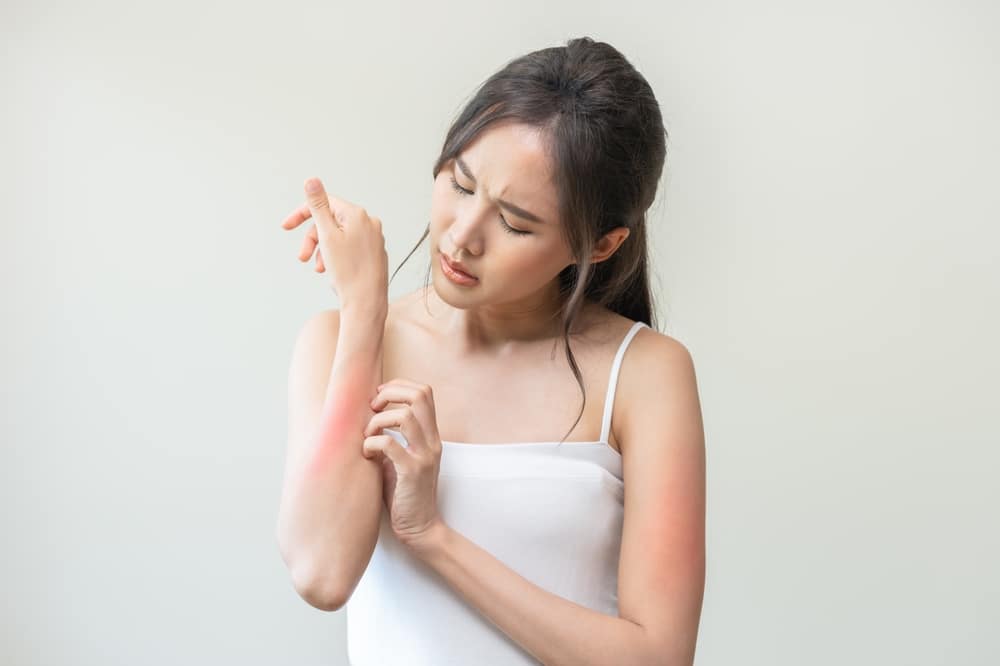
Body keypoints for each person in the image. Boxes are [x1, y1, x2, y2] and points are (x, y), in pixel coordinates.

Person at [276, 36, 706, 665]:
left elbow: (660, 658)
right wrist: (364, 313)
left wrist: (433, 537)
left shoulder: (644, 373)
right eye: (460, 182)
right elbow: (321, 574)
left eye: (515, 223)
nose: (462, 235)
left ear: (601, 246)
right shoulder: (339, 343)